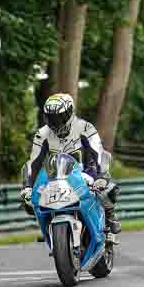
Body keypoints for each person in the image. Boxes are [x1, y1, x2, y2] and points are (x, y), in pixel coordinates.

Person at [19, 93, 121, 234]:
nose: (55, 122)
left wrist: (102, 176)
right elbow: (33, 162)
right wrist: (27, 186)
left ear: (70, 113)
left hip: (86, 172)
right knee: (31, 201)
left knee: (105, 189)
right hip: (56, 177)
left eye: (59, 117)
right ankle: (49, 227)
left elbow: (99, 152)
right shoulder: (42, 134)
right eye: (51, 117)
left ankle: (110, 214)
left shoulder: (85, 127)